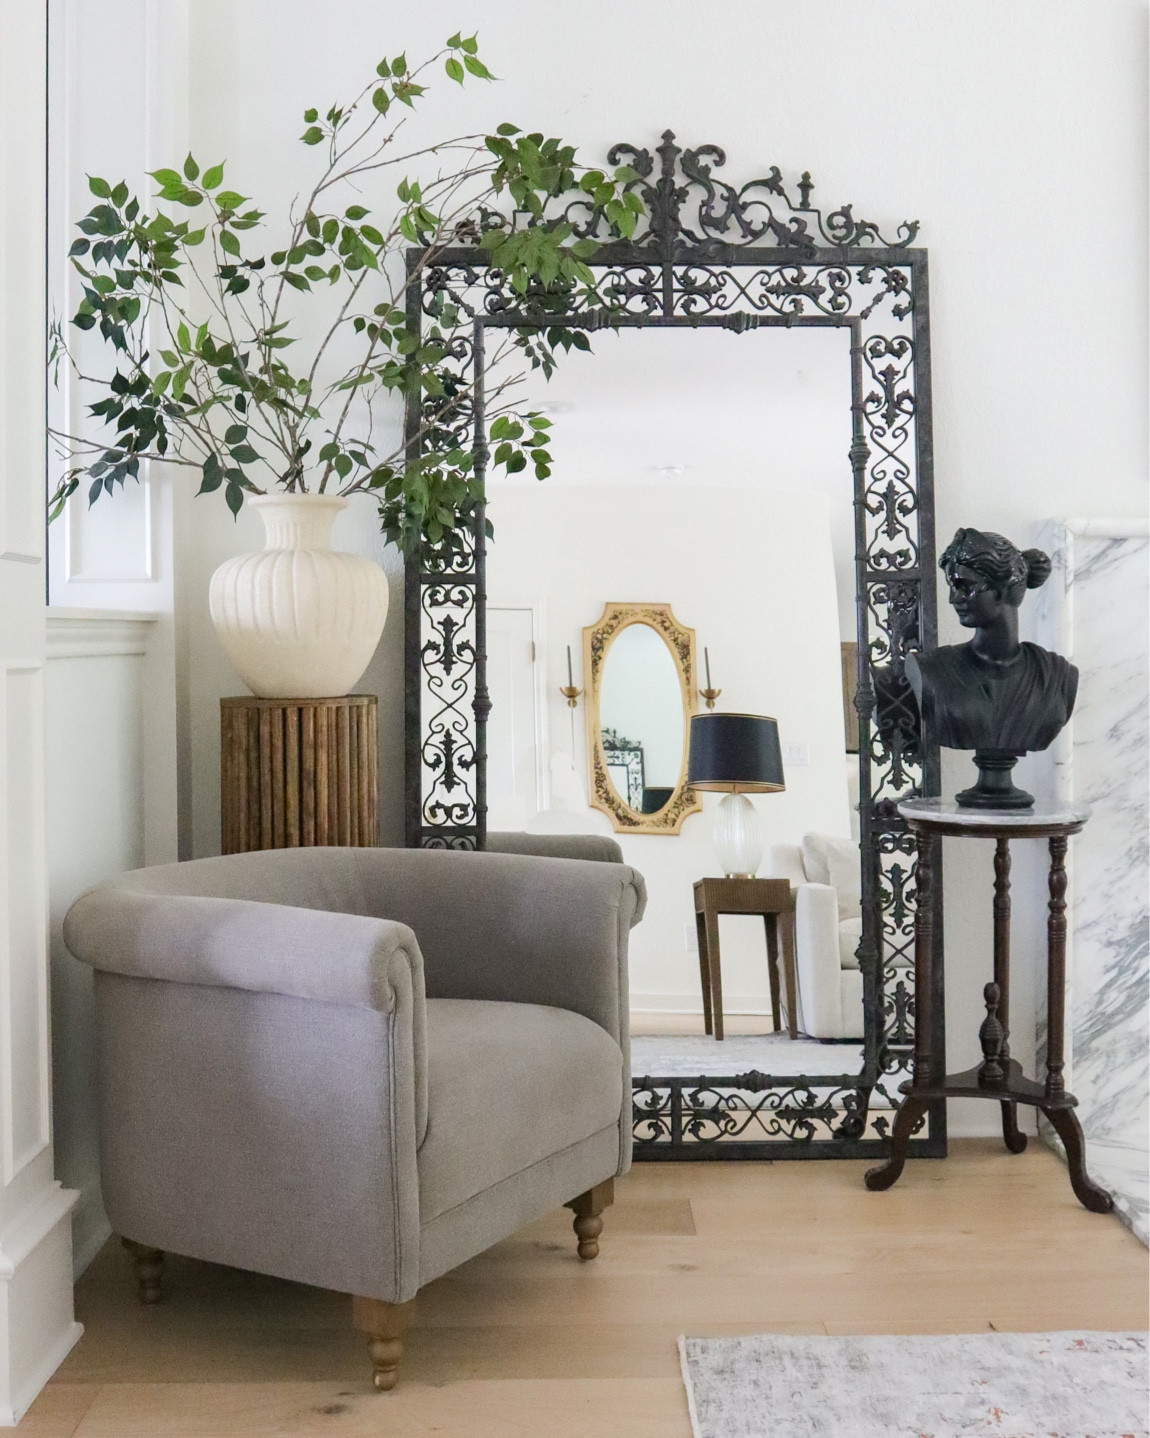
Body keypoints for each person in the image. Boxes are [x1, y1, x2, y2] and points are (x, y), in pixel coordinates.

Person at [905, 529, 1076, 806]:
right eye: (952, 586)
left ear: (1003, 589)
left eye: (964, 586)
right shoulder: (932, 670)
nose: (953, 598)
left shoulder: (1058, 677)